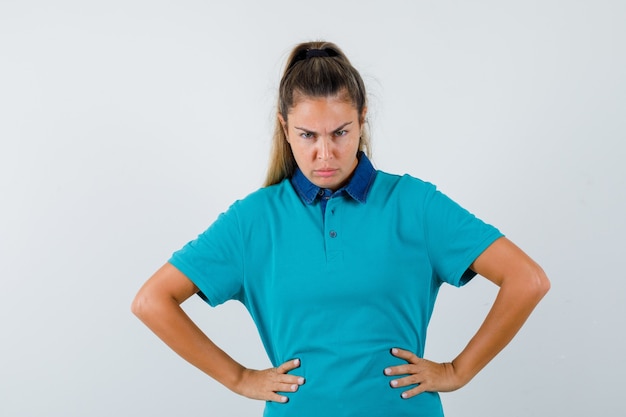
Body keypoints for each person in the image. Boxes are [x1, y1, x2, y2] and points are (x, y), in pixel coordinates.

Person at [131, 41, 550, 417]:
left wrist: (458, 371)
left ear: (362, 120)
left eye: (340, 132)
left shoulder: (415, 205)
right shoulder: (253, 220)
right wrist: (239, 378)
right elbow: (152, 300)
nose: (324, 153)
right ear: (284, 127)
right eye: (307, 135)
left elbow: (526, 279)